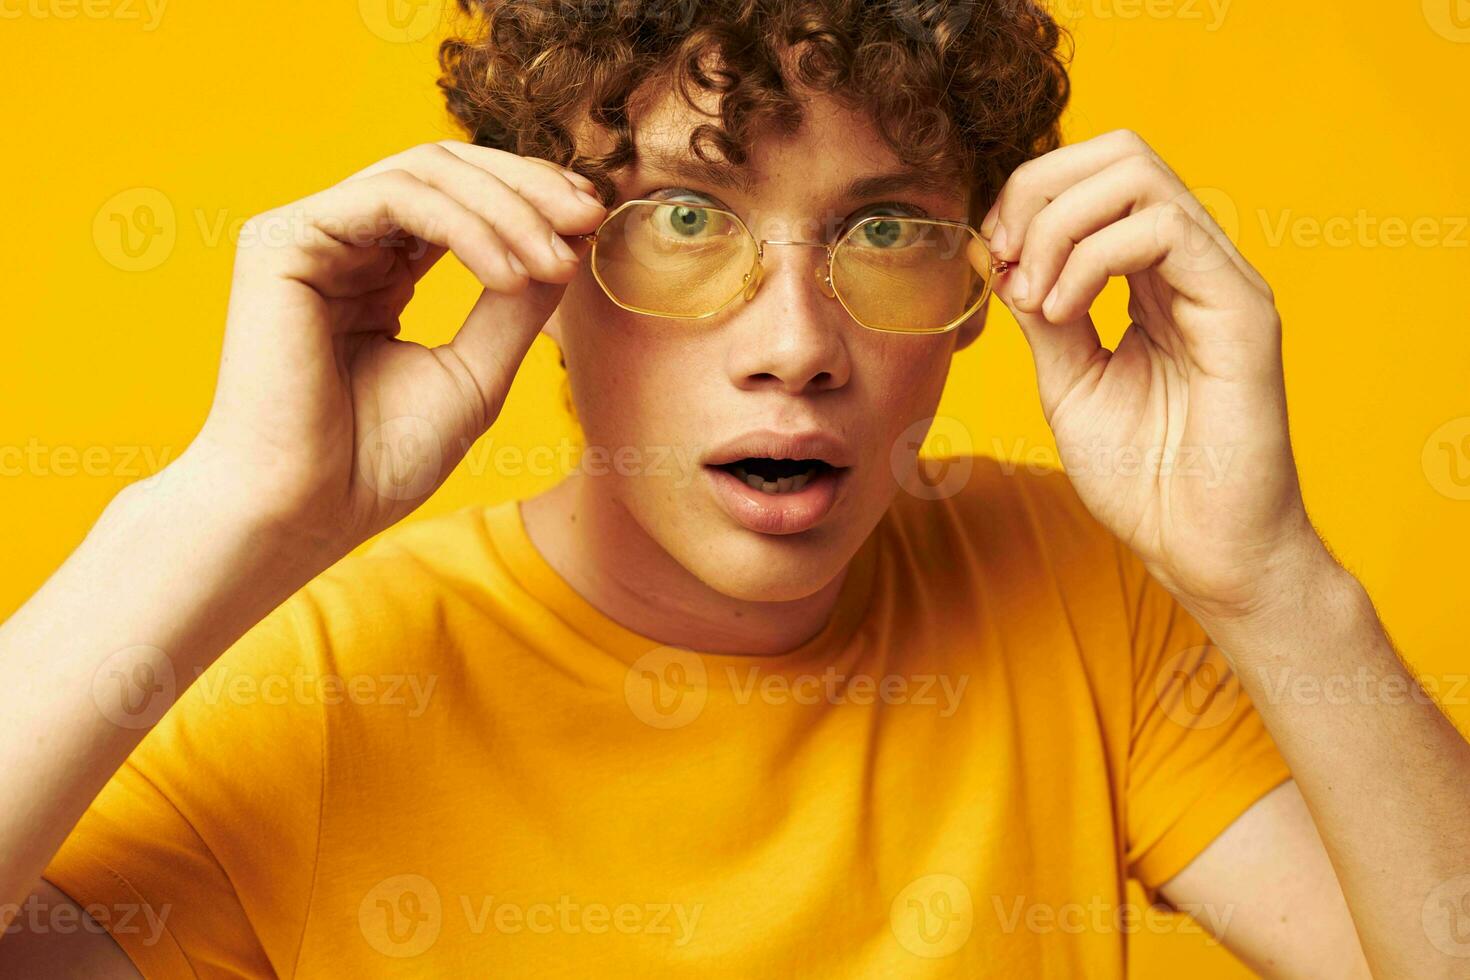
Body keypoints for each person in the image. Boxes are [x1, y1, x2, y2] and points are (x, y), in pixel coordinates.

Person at [1, 1, 1465, 977]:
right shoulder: (322, 684)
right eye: (685, 218)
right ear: (536, 252)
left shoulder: (1074, 588)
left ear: (981, 282)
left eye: (884, 228)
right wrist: (215, 516)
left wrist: (1269, 575)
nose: (794, 349)